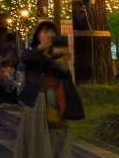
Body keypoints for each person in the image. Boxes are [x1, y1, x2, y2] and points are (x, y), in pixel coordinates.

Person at [14, 21, 82, 158]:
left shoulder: (58, 53)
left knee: (57, 135)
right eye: (45, 32)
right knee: (36, 135)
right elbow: (26, 61)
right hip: (36, 99)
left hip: (56, 99)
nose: (49, 35)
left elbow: (64, 75)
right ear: (38, 35)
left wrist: (64, 60)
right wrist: (41, 48)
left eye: (52, 32)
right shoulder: (30, 52)